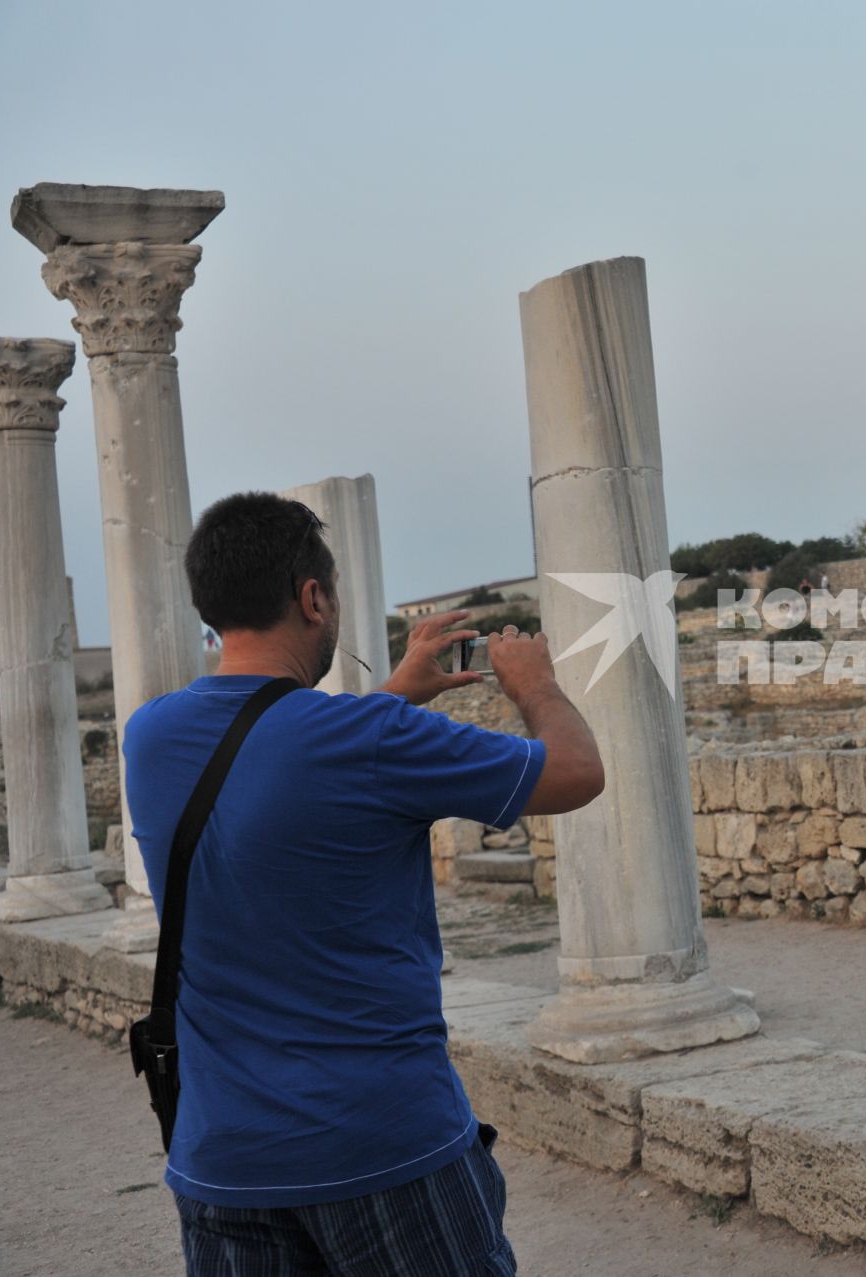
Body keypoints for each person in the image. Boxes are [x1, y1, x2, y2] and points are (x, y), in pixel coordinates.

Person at [124, 492, 605, 1275]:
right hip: (381, 1149)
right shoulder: (374, 739)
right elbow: (577, 773)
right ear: (312, 597)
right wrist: (533, 684)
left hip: (224, 1161)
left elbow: (282, 763)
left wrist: (396, 690)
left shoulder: (150, 735)